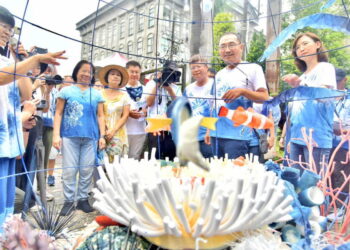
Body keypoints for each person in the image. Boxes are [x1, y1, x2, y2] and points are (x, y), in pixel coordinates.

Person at [0, 5, 65, 229]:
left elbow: (27, 94)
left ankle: (5, 234)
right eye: (2, 25)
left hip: (9, 137)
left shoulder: (11, 61)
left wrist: (21, 59)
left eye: (9, 27)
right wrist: (31, 61)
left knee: (6, 201)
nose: (6, 31)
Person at [53, 60, 105, 216]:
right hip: (70, 136)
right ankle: (69, 201)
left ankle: (82, 199)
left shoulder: (97, 94)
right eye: (83, 71)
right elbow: (58, 113)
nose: (86, 74)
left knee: (86, 170)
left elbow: (101, 115)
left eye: (89, 72)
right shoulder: (66, 91)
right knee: (69, 170)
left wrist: (102, 136)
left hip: (91, 137)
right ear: (76, 72)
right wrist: (56, 135)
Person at [282, 32, 337, 173]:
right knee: (297, 185)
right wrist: (288, 138)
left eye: (305, 43)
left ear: (318, 44)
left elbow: (326, 96)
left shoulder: (325, 68)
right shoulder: (302, 76)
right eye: (297, 47)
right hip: (296, 139)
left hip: (316, 138)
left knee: (314, 188)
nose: (301, 48)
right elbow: (294, 114)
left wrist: (302, 85)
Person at [209, 32, 269, 159]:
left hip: (237, 136)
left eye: (231, 45)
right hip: (216, 134)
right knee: (218, 173)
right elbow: (213, 103)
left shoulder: (253, 68)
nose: (227, 50)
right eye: (223, 46)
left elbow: (264, 97)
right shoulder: (219, 74)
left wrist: (243, 91)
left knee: (236, 174)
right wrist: (209, 130)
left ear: (241, 47)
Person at [145, 67, 181, 160]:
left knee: (171, 156)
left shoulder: (175, 87)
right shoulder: (151, 84)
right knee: (154, 156)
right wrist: (157, 85)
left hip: (171, 127)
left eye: (172, 74)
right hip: (155, 127)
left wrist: (169, 89)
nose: (168, 77)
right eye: (167, 73)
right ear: (161, 73)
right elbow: (149, 103)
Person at [183, 54, 214, 158]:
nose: (196, 70)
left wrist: (210, 131)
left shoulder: (215, 85)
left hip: (209, 138)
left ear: (206, 67)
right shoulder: (188, 89)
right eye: (193, 68)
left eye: (198, 66)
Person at [98, 64, 130, 163]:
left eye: (118, 75)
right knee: (101, 164)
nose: (115, 76)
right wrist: (104, 132)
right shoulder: (99, 94)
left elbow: (125, 116)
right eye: (112, 74)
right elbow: (99, 114)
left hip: (118, 133)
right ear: (107, 77)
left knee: (116, 165)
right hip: (102, 132)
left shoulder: (125, 96)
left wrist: (113, 130)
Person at [331, 68, 349, 203]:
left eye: (338, 81)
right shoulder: (326, 98)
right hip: (325, 143)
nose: (335, 84)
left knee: (342, 176)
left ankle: (340, 207)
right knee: (327, 175)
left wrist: (342, 130)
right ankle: (329, 204)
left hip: (344, 145)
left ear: (345, 80)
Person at [124, 61, 147, 160]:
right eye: (131, 72)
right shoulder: (121, 88)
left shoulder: (146, 89)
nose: (134, 74)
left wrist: (147, 112)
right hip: (124, 130)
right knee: (121, 159)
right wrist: (128, 113)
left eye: (137, 72)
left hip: (140, 130)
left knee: (134, 158)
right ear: (126, 72)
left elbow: (151, 106)